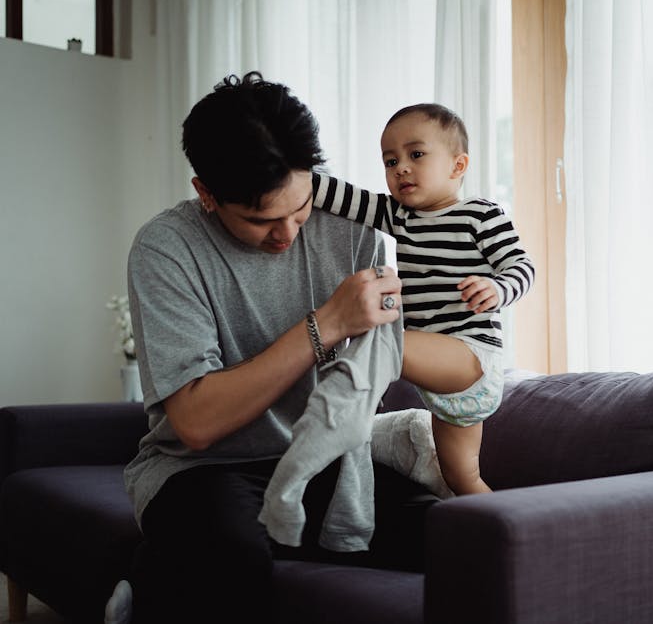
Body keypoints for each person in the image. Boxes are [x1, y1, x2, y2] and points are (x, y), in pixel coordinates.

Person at [107, 72, 429, 624]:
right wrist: (324, 324)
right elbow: (196, 422)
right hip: (200, 470)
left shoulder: (354, 224)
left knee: (444, 534)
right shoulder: (165, 248)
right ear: (206, 193)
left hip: (316, 457)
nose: (288, 235)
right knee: (233, 554)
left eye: (300, 209)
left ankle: (159, 578)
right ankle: (157, 586)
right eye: (261, 220)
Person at [309, 103, 535, 496]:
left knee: (382, 340)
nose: (401, 168)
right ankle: (508, 538)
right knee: (460, 479)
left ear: (457, 165)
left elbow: (522, 266)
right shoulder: (399, 216)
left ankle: (341, 412)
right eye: (390, 160)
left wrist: (498, 288)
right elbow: (339, 196)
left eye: (416, 155)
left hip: (469, 357)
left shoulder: (480, 216)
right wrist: (288, 174)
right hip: (443, 391)